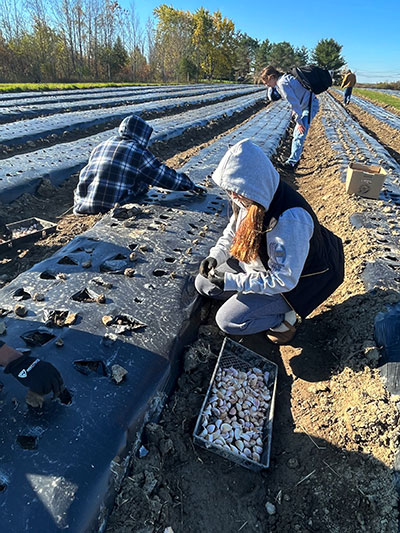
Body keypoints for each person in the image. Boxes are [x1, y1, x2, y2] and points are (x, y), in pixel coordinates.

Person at [195, 139, 344, 345]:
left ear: (251, 184)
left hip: (295, 284)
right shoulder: (249, 197)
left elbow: (284, 280)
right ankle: (252, 299)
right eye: (230, 191)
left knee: (228, 320)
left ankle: (286, 316)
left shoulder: (289, 221)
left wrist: (231, 282)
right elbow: (232, 232)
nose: (233, 196)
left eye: (235, 191)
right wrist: (215, 256)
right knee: (203, 283)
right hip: (259, 268)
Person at [73, 114, 206, 215]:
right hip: (109, 205)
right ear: (141, 134)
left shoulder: (102, 145)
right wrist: (190, 185)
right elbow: (164, 177)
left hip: (81, 203)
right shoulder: (137, 152)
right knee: (143, 182)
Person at [260, 65, 319, 172]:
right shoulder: (283, 79)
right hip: (307, 104)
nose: (267, 85)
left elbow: (294, 103)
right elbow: (295, 98)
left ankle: (292, 164)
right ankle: (293, 161)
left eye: (267, 82)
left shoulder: (282, 83)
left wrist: (299, 121)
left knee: (299, 134)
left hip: (309, 106)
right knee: (298, 133)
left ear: (272, 77)